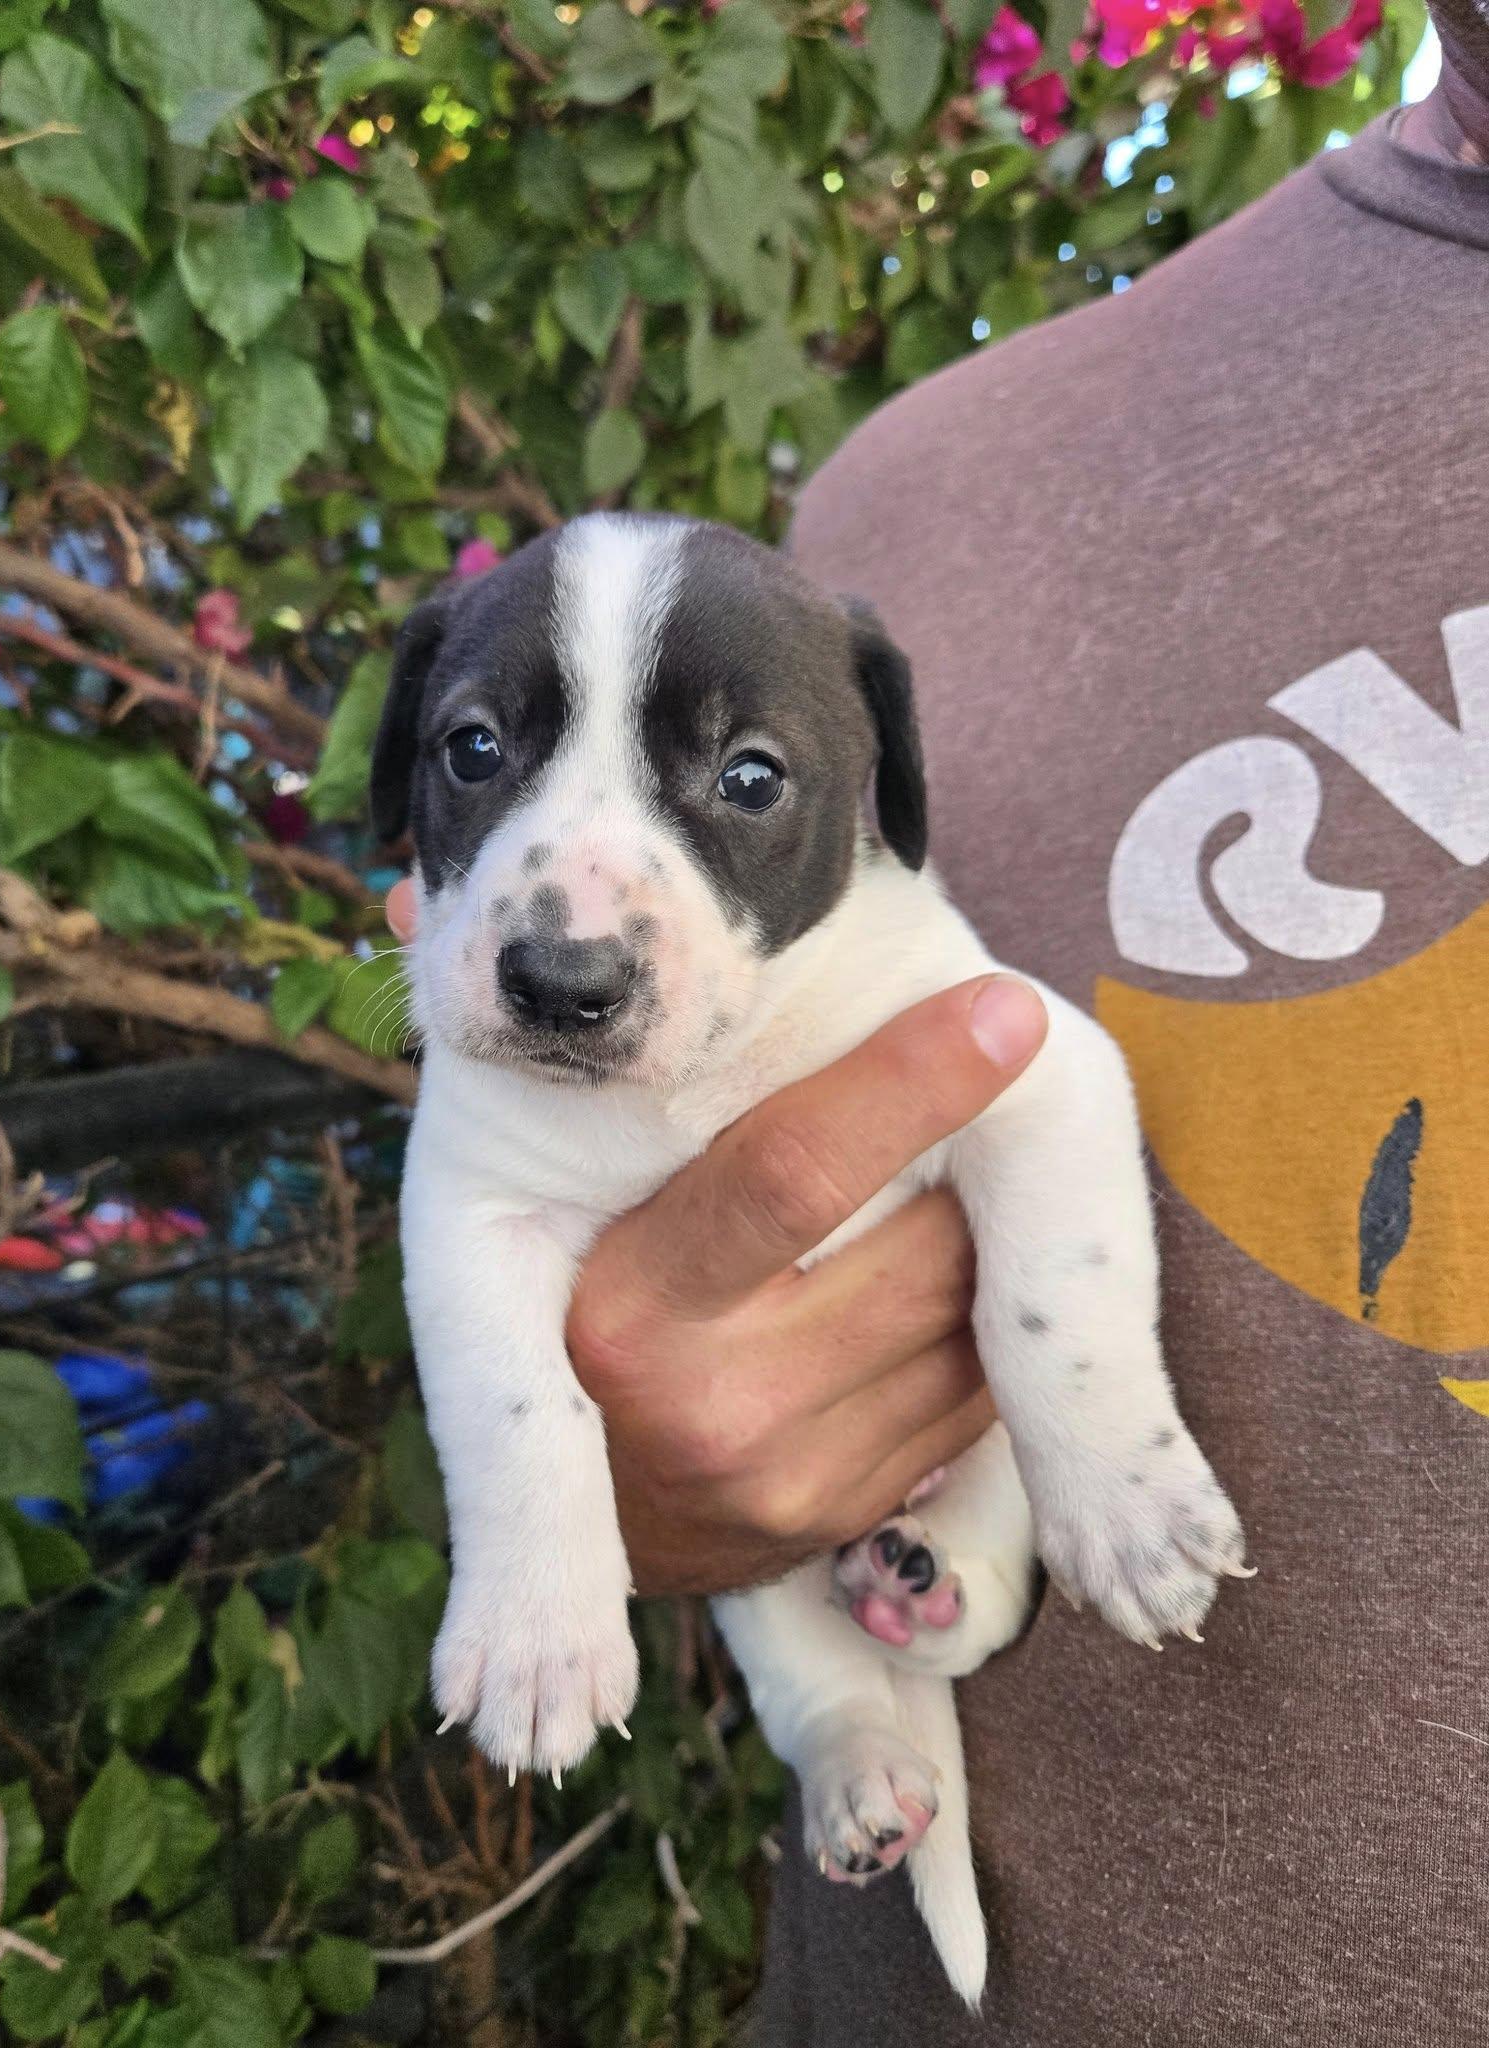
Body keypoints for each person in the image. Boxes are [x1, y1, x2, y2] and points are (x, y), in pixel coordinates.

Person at [388, 6, 1489, 2031]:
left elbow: (1037, 1086)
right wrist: (565, 1495)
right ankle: (845, 1724)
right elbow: (492, 1234)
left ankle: (922, 1629)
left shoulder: (874, 911)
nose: (573, 911)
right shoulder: (921, 490)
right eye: (478, 752)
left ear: (867, 786)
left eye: (735, 783)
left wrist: (1088, 1421)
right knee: (801, 1628)